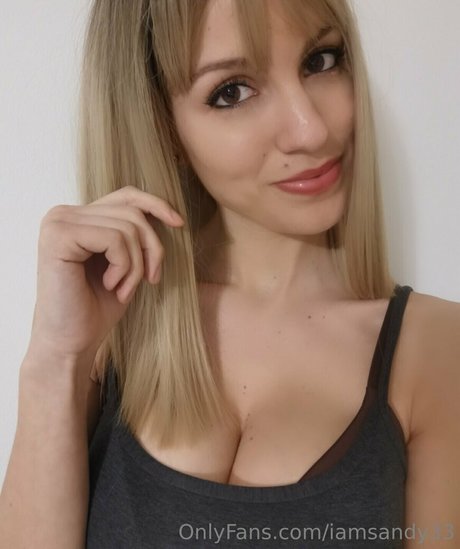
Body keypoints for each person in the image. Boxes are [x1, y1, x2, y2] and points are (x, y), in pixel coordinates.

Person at [1, 0, 459, 547]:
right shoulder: (109, 329)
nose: (311, 129)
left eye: (320, 60)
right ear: (162, 126)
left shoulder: (436, 348)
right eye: (232, 92)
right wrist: (55, 359)